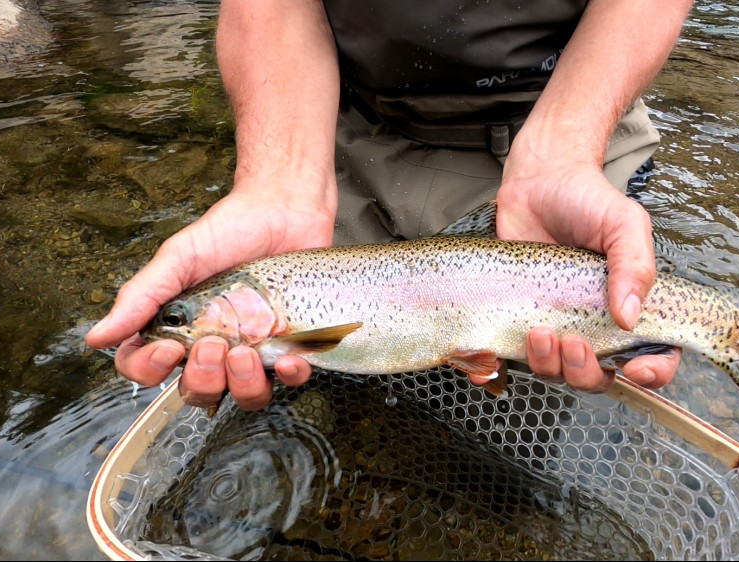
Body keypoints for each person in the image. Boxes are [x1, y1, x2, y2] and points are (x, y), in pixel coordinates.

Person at [85, 0, 693, 411]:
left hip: (571, 112)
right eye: (181, 320)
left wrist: (565, 150)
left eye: (183, 318)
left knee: (538, 392)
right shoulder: (275, 295)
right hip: (352, 115)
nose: (183, 326)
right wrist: (277, 182)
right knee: (340, 393)